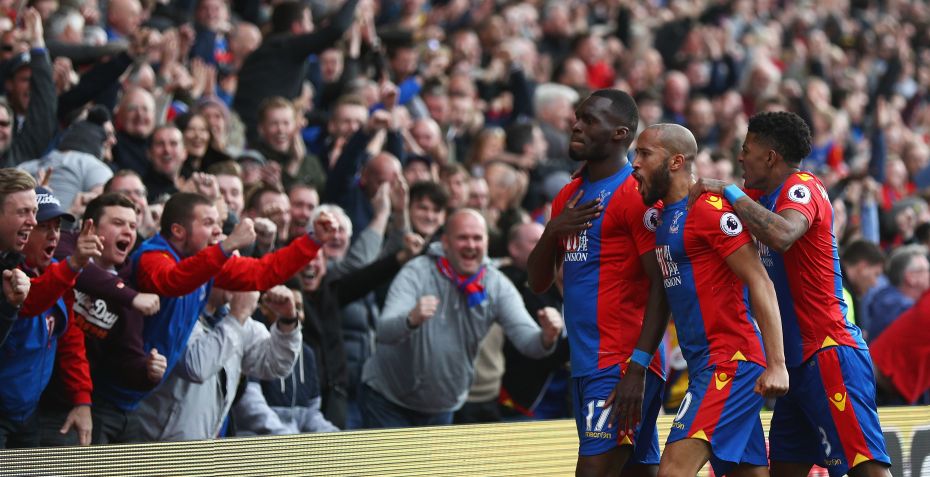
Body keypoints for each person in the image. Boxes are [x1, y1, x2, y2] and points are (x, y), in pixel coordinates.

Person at [690, 111, 891, 477]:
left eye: (746, 150)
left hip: (828, 352)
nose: (740, 158)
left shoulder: (803, 187)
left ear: (770, 157)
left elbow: (782, 235)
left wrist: (728, 190)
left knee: (868, 470)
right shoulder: (759, 197)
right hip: (793, 364)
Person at [90, 191, 335, 444]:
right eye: (209, 223)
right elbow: (172, 280)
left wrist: (313, 240)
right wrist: (227, 246)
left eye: (219, 223)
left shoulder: (207, 266)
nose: (218, 231)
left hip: (134, 402)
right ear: (178, 231)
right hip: (107, 396)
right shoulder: (153, 256)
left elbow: (263, 272)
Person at [632, 123, 789, 476]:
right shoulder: (664, 216)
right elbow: (665, 295)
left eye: (644, 154)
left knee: (672, 471)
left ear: (676, 162)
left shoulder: (708, 209)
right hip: (706, 364)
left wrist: (777, 363)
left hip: (730, 362)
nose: (635, 163)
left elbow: (760, 280)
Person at [526, 89, 669, 477]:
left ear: (620, 133)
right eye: (577, 117)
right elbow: (538, 281)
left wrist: (637, 368)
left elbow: (662, 285)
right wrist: (553, 231)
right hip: (587, 362)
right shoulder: (568, 196)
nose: (576, 126)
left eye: (590, 121)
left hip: (621, 364)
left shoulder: (635, 194)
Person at [361, 209, 562, 428]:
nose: (471, 245)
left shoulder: (496, 284)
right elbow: (383, 332)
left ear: (486, 242)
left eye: (477, 238)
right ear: (446, 243)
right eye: (463, 238)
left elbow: (528, 342)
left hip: (443, 407)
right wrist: (410, 319)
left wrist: (547, 336)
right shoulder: (416, 272)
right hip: (389, 400)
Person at [0, 169, 37, 348]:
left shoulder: (11, 261)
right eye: (23, 212)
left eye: (34, 212)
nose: (33, 222)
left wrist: (11, 305)